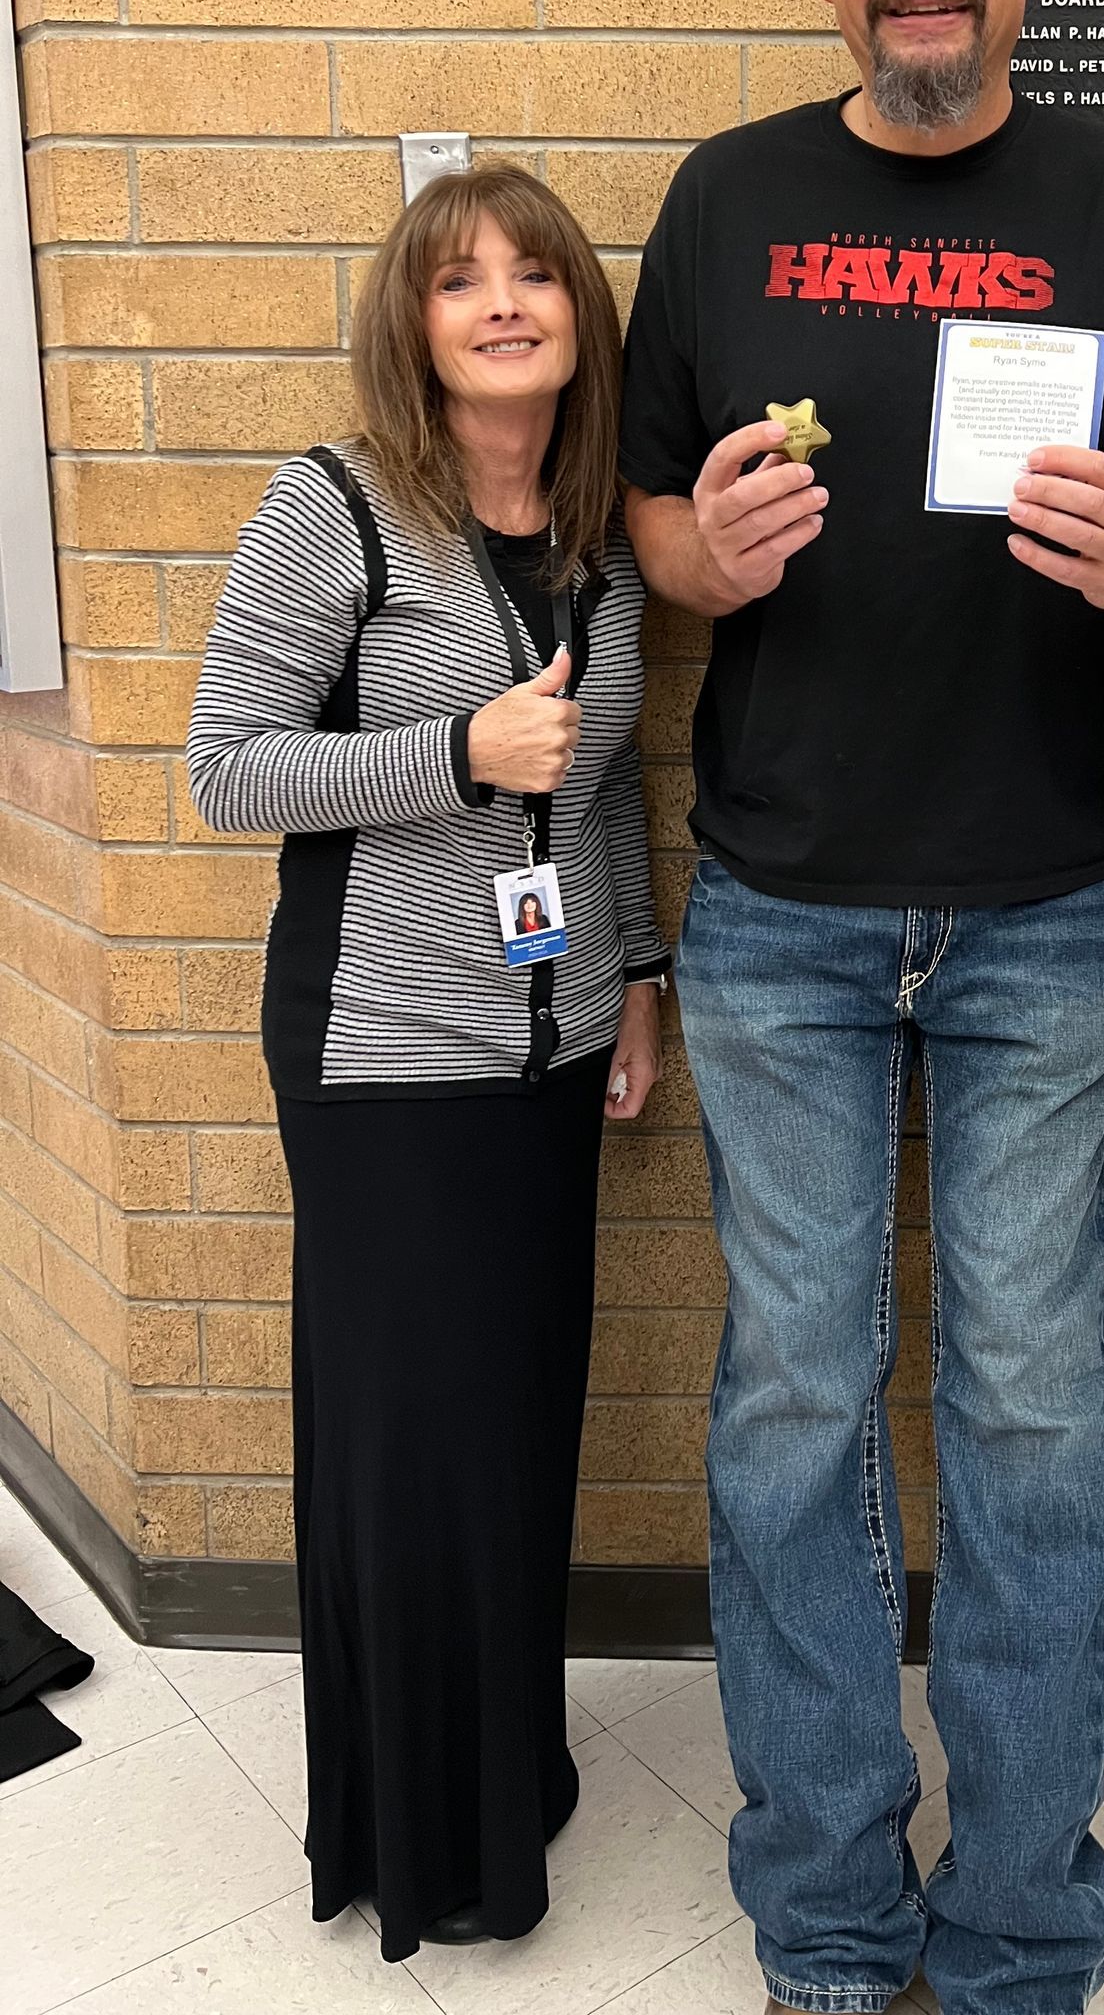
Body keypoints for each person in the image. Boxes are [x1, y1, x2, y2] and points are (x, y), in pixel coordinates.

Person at [621, 0, 1104, 2015]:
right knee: (792, 1402)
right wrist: (700, 551)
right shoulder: (725, 203)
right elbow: (644, 531)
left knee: (1033, 1407)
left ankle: (1013, 1935)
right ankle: (823, 1913)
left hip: (1045, 905)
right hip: (780, 907)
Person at [187, 165, 669, 1962]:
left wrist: (631, 978)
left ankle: (504, 1763)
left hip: (542, 1062)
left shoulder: (598, 536)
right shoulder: (335, 510)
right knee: (410, 1452)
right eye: (459, 278)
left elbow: (604, 781)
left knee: (515, 1430)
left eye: (534, 273)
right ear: (414, 318)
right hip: (384, 1060)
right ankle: (420, 1834)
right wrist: (456, 747)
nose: (501, 301)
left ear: (576, 315)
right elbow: (230, 770)